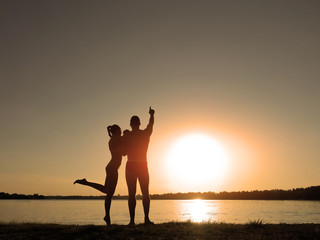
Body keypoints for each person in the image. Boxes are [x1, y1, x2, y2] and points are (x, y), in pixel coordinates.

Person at [74, 124, 124, 225]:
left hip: (110, 167)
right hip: (113, 168)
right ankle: (107, 216)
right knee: (109, 193)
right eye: (120, 131)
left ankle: (86, 182)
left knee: (106, 190)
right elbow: (124, 152)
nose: (122, 132)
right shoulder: (116, 139)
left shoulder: (113, 139)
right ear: (117, 131)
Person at [123, 107, 155, 225]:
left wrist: (124, 137)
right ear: (139, 123)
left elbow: (124, 153)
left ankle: (132, 221)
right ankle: (146, 219)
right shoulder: (144, 134)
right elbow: (151, 125)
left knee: (131, 193)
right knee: (145, 192)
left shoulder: (128, 135)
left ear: (131, 124)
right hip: (141, 165)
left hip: (131, 165)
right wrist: (151, 115)